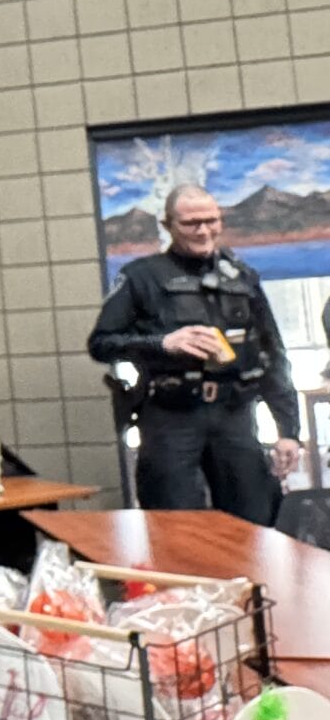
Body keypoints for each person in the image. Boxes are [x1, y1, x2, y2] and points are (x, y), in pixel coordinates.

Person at [88, 184, 301, 525]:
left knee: (255, 522)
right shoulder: (141, 277)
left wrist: (288, 430)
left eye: (211, 220)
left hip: (235, 415)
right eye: (191, 223)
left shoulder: (243, 277)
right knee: (174, 525)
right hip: (170, 417)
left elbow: (272, 354)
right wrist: (162, 343)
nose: (203, 231)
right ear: (167, 225)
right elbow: (101, 343)